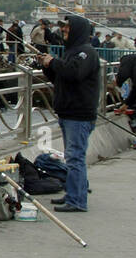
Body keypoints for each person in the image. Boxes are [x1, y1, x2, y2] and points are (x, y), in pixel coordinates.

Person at [38, 14, 100, 212]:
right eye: (63, 27)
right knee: (72, 157)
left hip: (78, 115)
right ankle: (73, 193)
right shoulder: (72, 52)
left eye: (67, 27)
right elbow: (62, 77)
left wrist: (54, 62)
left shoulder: (86, 53)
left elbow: (74, 73)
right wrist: (47, 65)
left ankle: (77, 201)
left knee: (75, 158)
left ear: (78, 30)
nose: (63, 30)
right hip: (68, 113)